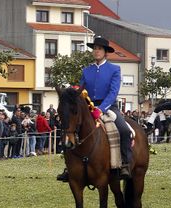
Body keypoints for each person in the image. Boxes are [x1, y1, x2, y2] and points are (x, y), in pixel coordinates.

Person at [57, 36, 132, 181]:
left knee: (124, 130)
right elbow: (81, 90)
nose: (96, 51)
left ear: (105, 52)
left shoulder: (114, 69)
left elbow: (113, 92)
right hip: (88, 106)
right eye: (95, 49)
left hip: (109, 106)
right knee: (70, 130)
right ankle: (69, 167)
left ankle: (125, 164)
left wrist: (102, 108)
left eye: (99, 49)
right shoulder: (87, 70)